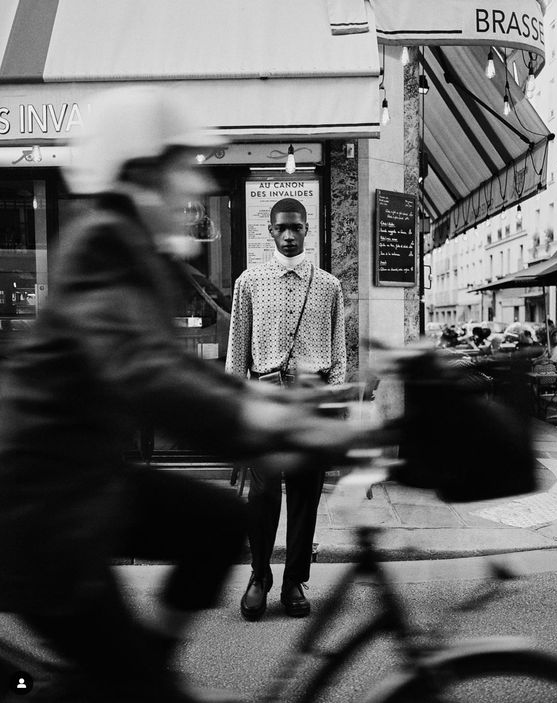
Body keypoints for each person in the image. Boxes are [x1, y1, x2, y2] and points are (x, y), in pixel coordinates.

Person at [0, 88, 355, 703]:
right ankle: (132, 683)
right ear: (142, 172)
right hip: (41, 507)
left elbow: (177, 371)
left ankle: (143, 673)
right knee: (123, 678)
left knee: (219, 520)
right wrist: (258, 419)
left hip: (82, 478)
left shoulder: (138, 250)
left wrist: (283, 410)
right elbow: (144, 373)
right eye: (181, 169)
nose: (192, 188)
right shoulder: (105, 246)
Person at [226, 197, 346, 621]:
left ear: (307, 229)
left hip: (310, 402)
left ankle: (295, 578)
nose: (290, 235)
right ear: (271, 231)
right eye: (282, 228)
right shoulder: (249, 281)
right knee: (260, 494)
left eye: (297, 227)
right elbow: (237, 352)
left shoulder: (329, 285)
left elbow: (339, 354)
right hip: (264, 399)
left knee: (304, 494)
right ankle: (259, 575)